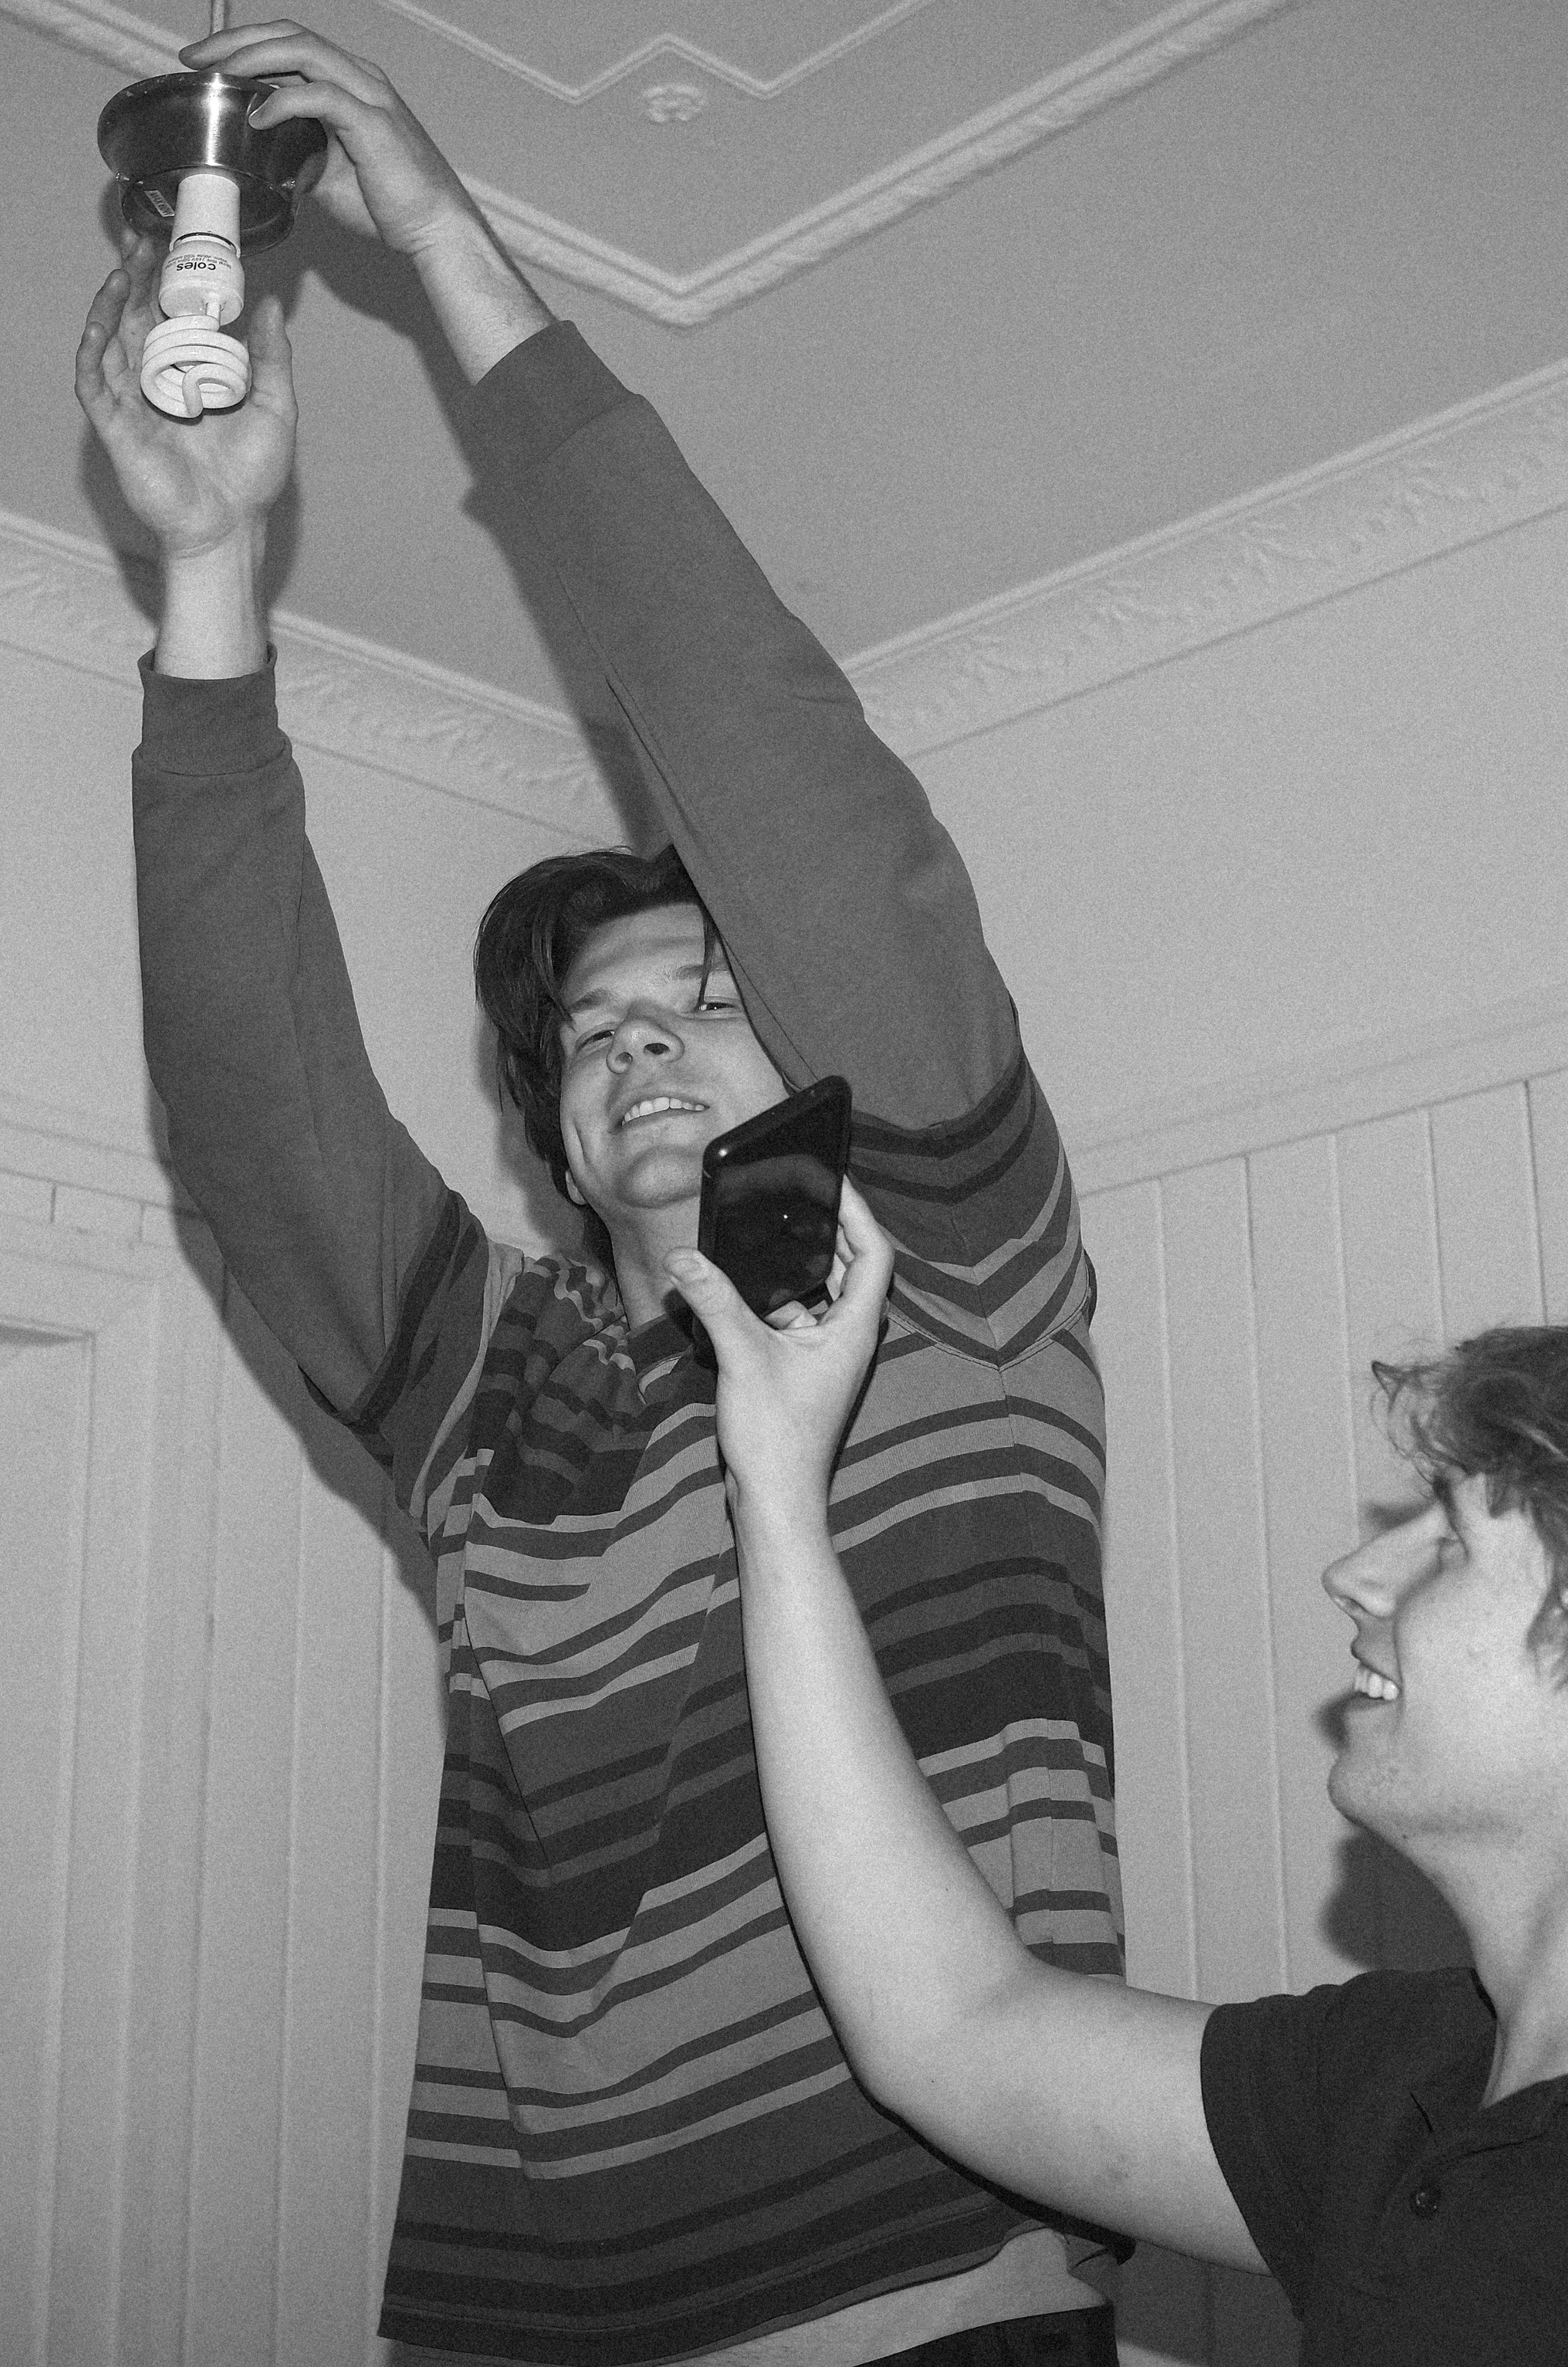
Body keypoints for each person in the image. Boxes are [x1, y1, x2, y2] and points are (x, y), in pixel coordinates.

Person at [77, 21, 1126, 2364]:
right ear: (555, 1132)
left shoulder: (954, 1277)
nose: (640, 1035)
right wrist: (209, 576)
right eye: (590, 1030)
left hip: (939, 2315)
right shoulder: (493, 1393)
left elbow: (774, 755)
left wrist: (448, 250)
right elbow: (247, 1102)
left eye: (712, 992)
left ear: (827, 1044)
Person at [670, 1188, 1568, 2365]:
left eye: (1449, 1540)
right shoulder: (1397, 2081)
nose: (1353, 1573)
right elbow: (952, 2028)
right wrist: (777, 1488)